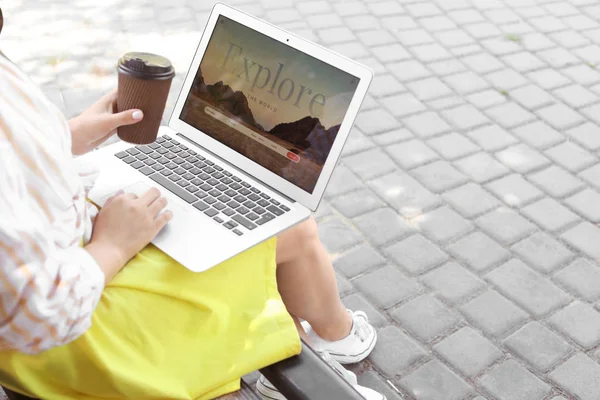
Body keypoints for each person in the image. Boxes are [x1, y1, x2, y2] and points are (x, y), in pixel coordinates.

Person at [0, 8, 385, 400]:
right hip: (72, 335)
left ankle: (317, 343)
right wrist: (113, 246)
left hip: (77, 253)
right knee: (289, 229)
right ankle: (334, 343)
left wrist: (64, 138)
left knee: (264, 229)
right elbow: (36, 315)